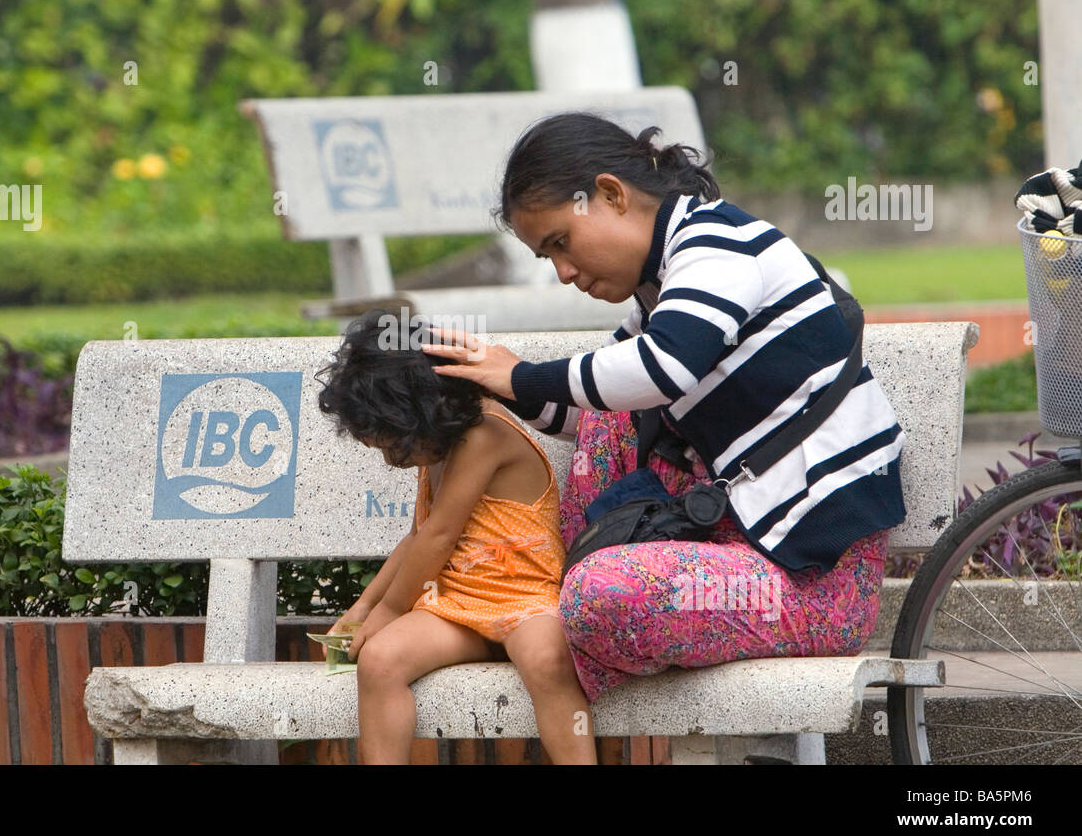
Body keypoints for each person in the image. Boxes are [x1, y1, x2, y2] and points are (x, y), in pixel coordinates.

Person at [425, 112, 906, 703]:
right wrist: (495, 383)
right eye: (547, 258)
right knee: (605, 421)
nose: (564, 273)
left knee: (595, 599)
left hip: (809, 587)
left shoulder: (717, 247)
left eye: (561, 243)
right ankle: (545, 610)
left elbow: (664, 367)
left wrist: (522, 374)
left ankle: (552, 612)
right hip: (731, 555)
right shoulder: (663, 289)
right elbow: (602, 412)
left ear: (610, 195)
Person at [316, 310, 597, 764]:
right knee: (379, 661)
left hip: (525, 600)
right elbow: (419, 536)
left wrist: (389, 610)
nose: (391, 461)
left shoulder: (484, 435)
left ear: (419, 414)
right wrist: (363, 608)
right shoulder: (439, 439)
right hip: (457, 605)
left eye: (392, 445)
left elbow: (440, 537)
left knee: (547, 661)